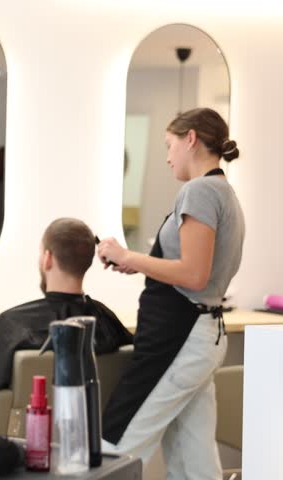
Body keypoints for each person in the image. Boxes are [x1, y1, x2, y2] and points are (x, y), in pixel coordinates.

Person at [97, 107, 244, 479]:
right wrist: (140, 263)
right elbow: (192, 270)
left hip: (179, 337)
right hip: (198, 336)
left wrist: (128, 255)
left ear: (190, 139)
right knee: (193, 459)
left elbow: (194, 274)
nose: (167, 157)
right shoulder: (222, 191)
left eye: (169, 145)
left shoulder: (199, 191)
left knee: (117, 448)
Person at [0, 218, 133, 427]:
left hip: (5, 433)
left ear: (47, 258)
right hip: (84, 430)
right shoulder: (106, 320)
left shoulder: (13, 323)